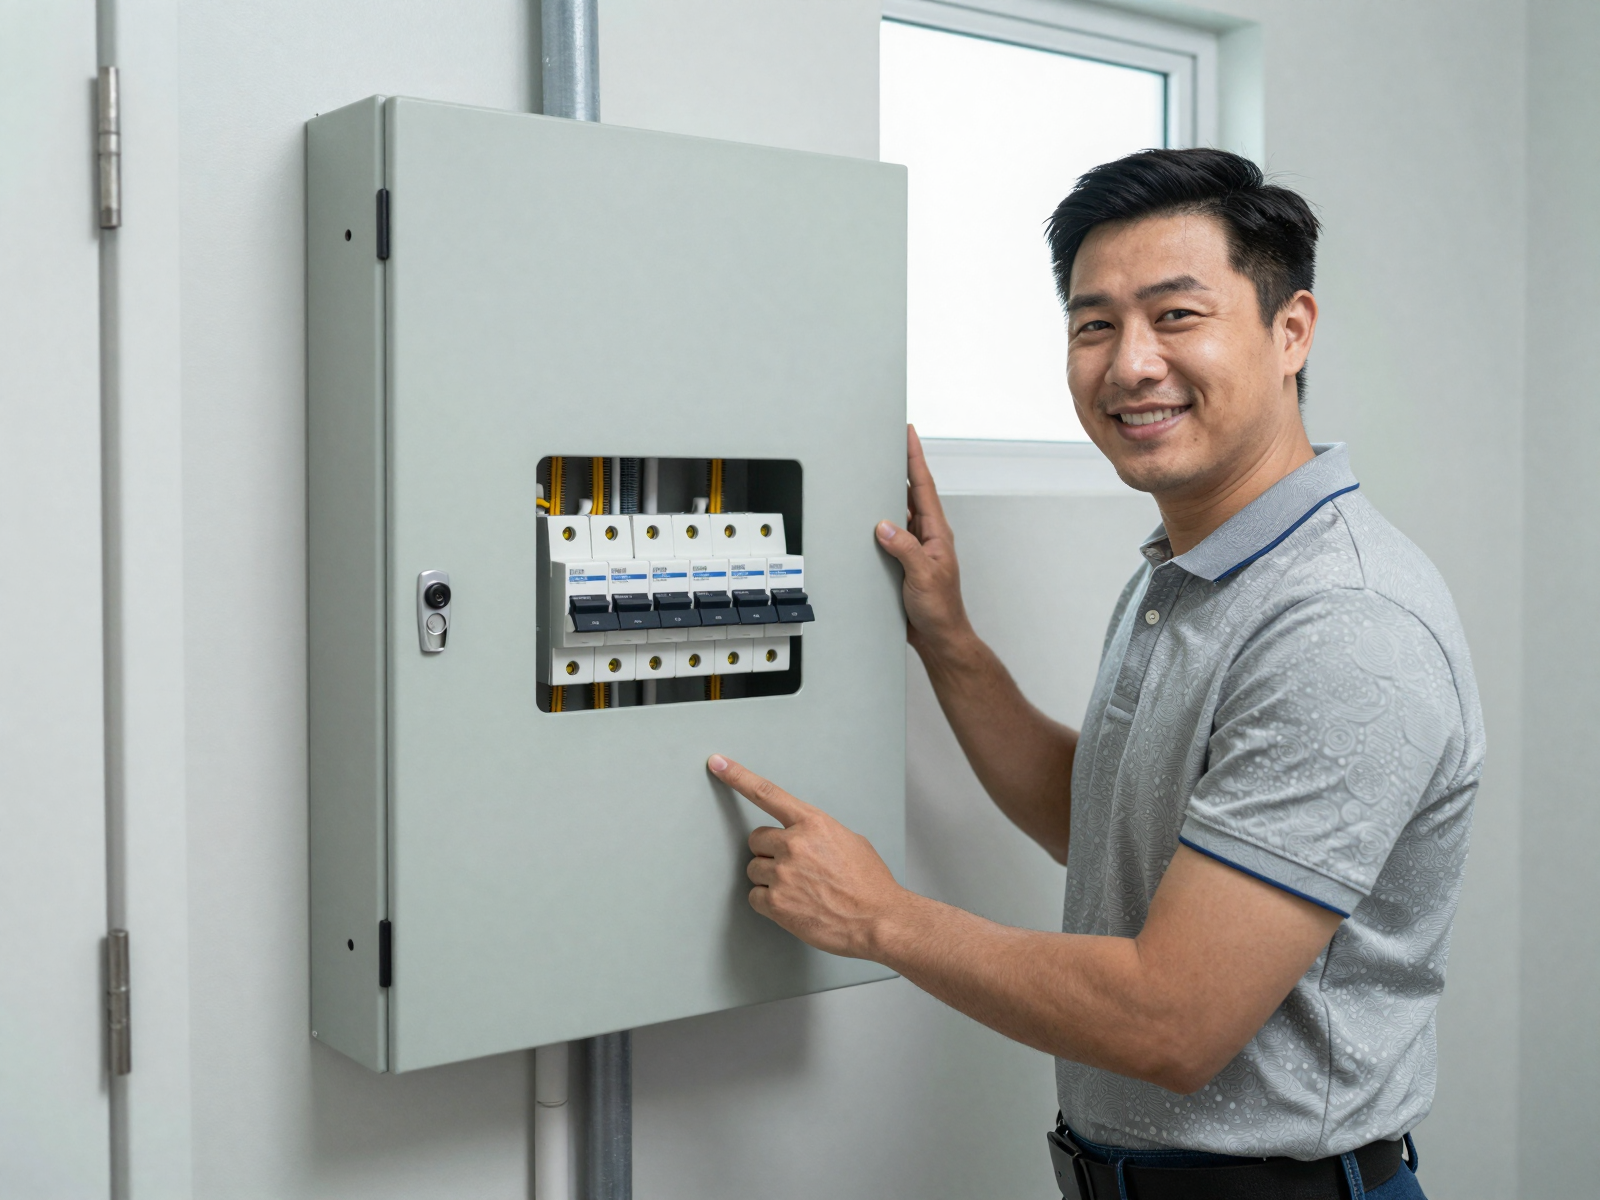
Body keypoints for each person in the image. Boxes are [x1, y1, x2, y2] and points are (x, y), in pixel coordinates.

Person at [707, 148, 1483, 1199]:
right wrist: (947, 637)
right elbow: (1114, 826)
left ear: (1290, 330)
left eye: (1175, 316)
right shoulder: (1194, 570)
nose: (1129, 364)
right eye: (1093, 323)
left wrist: (878, 916)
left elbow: (1171, 1018)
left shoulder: (1340, 622)